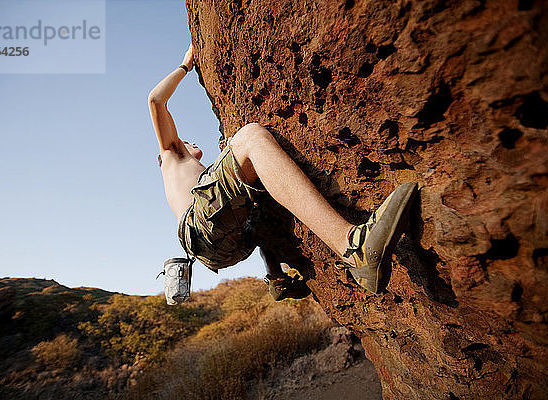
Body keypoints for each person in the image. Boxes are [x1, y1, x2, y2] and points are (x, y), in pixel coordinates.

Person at [148, 44, 417, 300]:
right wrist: (186, 65)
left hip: (222, 249)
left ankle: (276, 278)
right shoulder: (171, 153)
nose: (192, 143)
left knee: (261, 196)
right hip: (200, 228)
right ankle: (353, 248)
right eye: (188, 141)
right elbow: (156, 100)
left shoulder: (193, 178)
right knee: (250, 138)